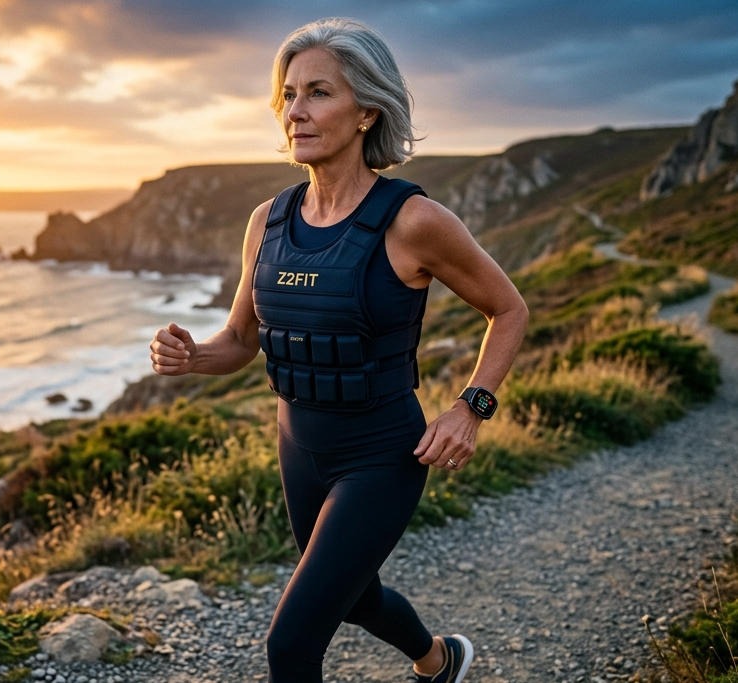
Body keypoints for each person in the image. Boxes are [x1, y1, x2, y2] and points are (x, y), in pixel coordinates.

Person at [149, 16, 528, 683]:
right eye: (289, 95)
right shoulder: (267, 220)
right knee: (352, 596)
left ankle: (439, 659)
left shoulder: (414, 221)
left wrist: (470, 406)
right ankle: (440, 659)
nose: (296, 110)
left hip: (381, 451)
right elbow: (239, 341)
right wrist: (189, 356)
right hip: (299, 446)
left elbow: (509, 308)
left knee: (291, 645)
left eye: (319, 92)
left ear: (366, 112)